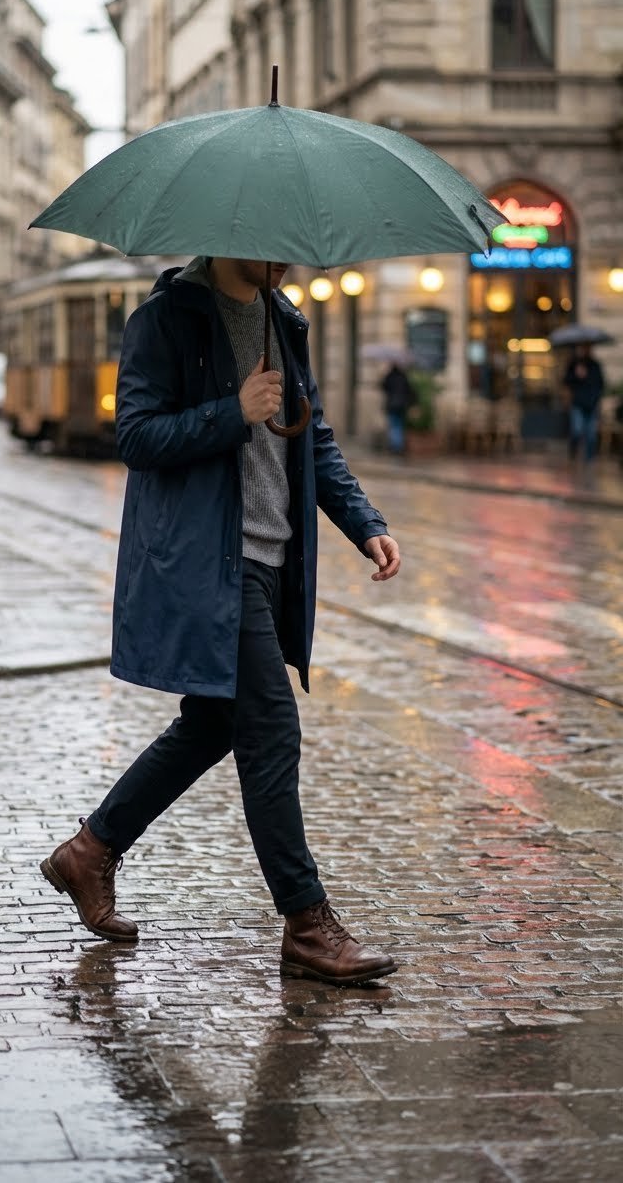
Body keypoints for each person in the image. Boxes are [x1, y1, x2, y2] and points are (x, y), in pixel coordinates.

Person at [41, 255, 402, 987]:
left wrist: (363, 521)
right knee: (271, 731)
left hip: (271, 563)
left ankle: (89, 850)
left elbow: (314, 438)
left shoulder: (283, 316)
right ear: (233, 236)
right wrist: (228, 411)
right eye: (276, 242)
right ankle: (307, 923)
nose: (290, 258)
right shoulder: (166, 318)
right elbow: (136, 435)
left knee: (211, 723)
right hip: (211, 564)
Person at [563, 345, 605, 462]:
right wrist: (576, 375)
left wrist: (598, 401)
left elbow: (600, 385)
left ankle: (589, 461)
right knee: (577, 430)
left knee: (591, 435)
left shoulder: (596, 366)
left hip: (592, 404)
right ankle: (573, 454)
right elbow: (566, 382)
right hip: (577, 404)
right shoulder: (574, 364)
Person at [379, 361, 417, 455]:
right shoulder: (403, 377)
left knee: (393, 426)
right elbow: (409, 390)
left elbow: (383, 387)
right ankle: (398, 446)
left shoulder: (389, 376)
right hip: (402, 406)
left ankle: (395, 447)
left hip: (392, 405)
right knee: (399, 425)